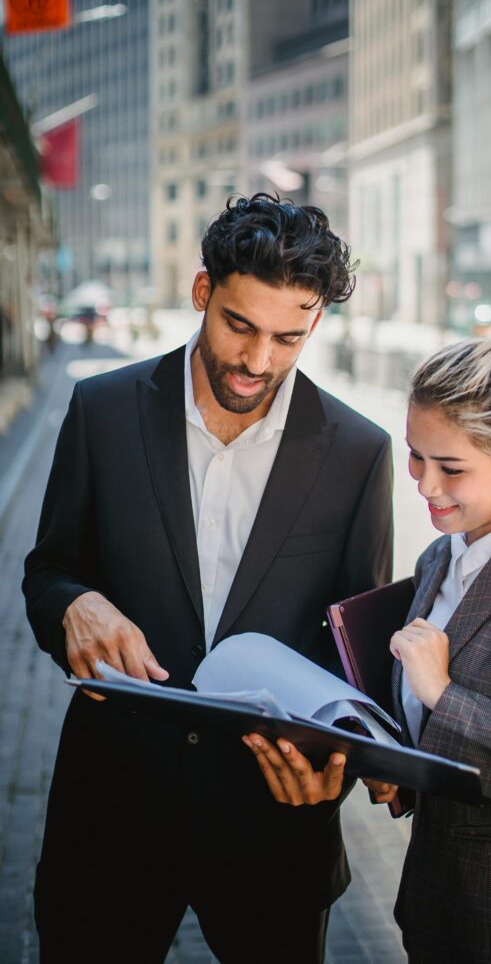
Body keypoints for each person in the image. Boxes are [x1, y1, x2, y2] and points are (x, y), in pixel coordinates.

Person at [23, 194, 393, 964]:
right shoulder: (101, 410)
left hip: (273, 833)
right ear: (202, 294)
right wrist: (74, 604)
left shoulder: (359, 453)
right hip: (112, 817)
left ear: (315, 324)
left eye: (288, 337)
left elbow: (355, 659)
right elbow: (46, 570)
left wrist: (339, 767)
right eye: (239, 325)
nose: (258, 361)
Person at [245, 331, 491, 964]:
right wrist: (401, 772)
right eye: (415, 456)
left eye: (452, 468)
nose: (426, 486)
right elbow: (450, 750)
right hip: (439, 909)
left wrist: (445, 696)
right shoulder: (438, 557)